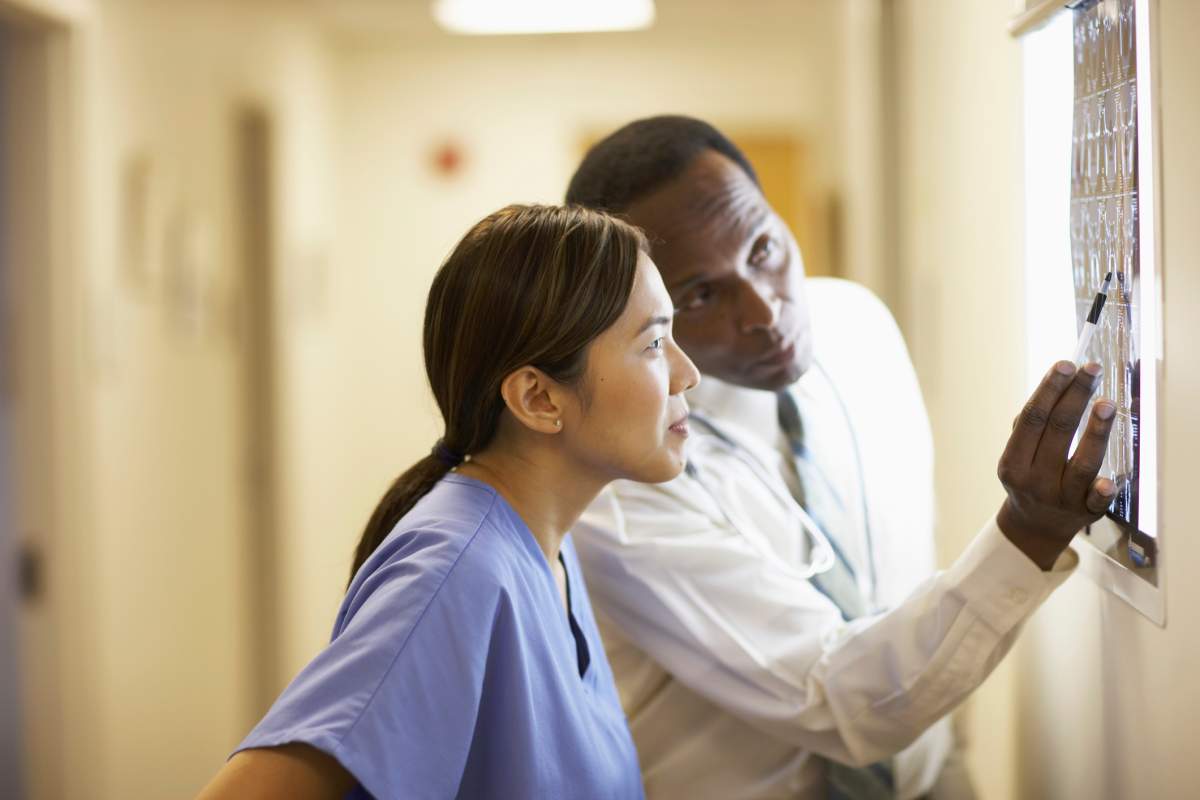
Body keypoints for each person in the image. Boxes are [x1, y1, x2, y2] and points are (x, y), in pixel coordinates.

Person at [565, 116, 1117, 799]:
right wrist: (1027, 532)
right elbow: (833, 696)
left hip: (929, 772)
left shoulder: (858, 327)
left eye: (763, 248)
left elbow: (911, 577)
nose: (764, 311)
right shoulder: (620, 482)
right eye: (701, 295)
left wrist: (950, 761)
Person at [196, 204, 701, 799]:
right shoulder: (459, 569)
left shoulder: (545, 550)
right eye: (654, 343)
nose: (686, 373)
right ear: (538, 398)